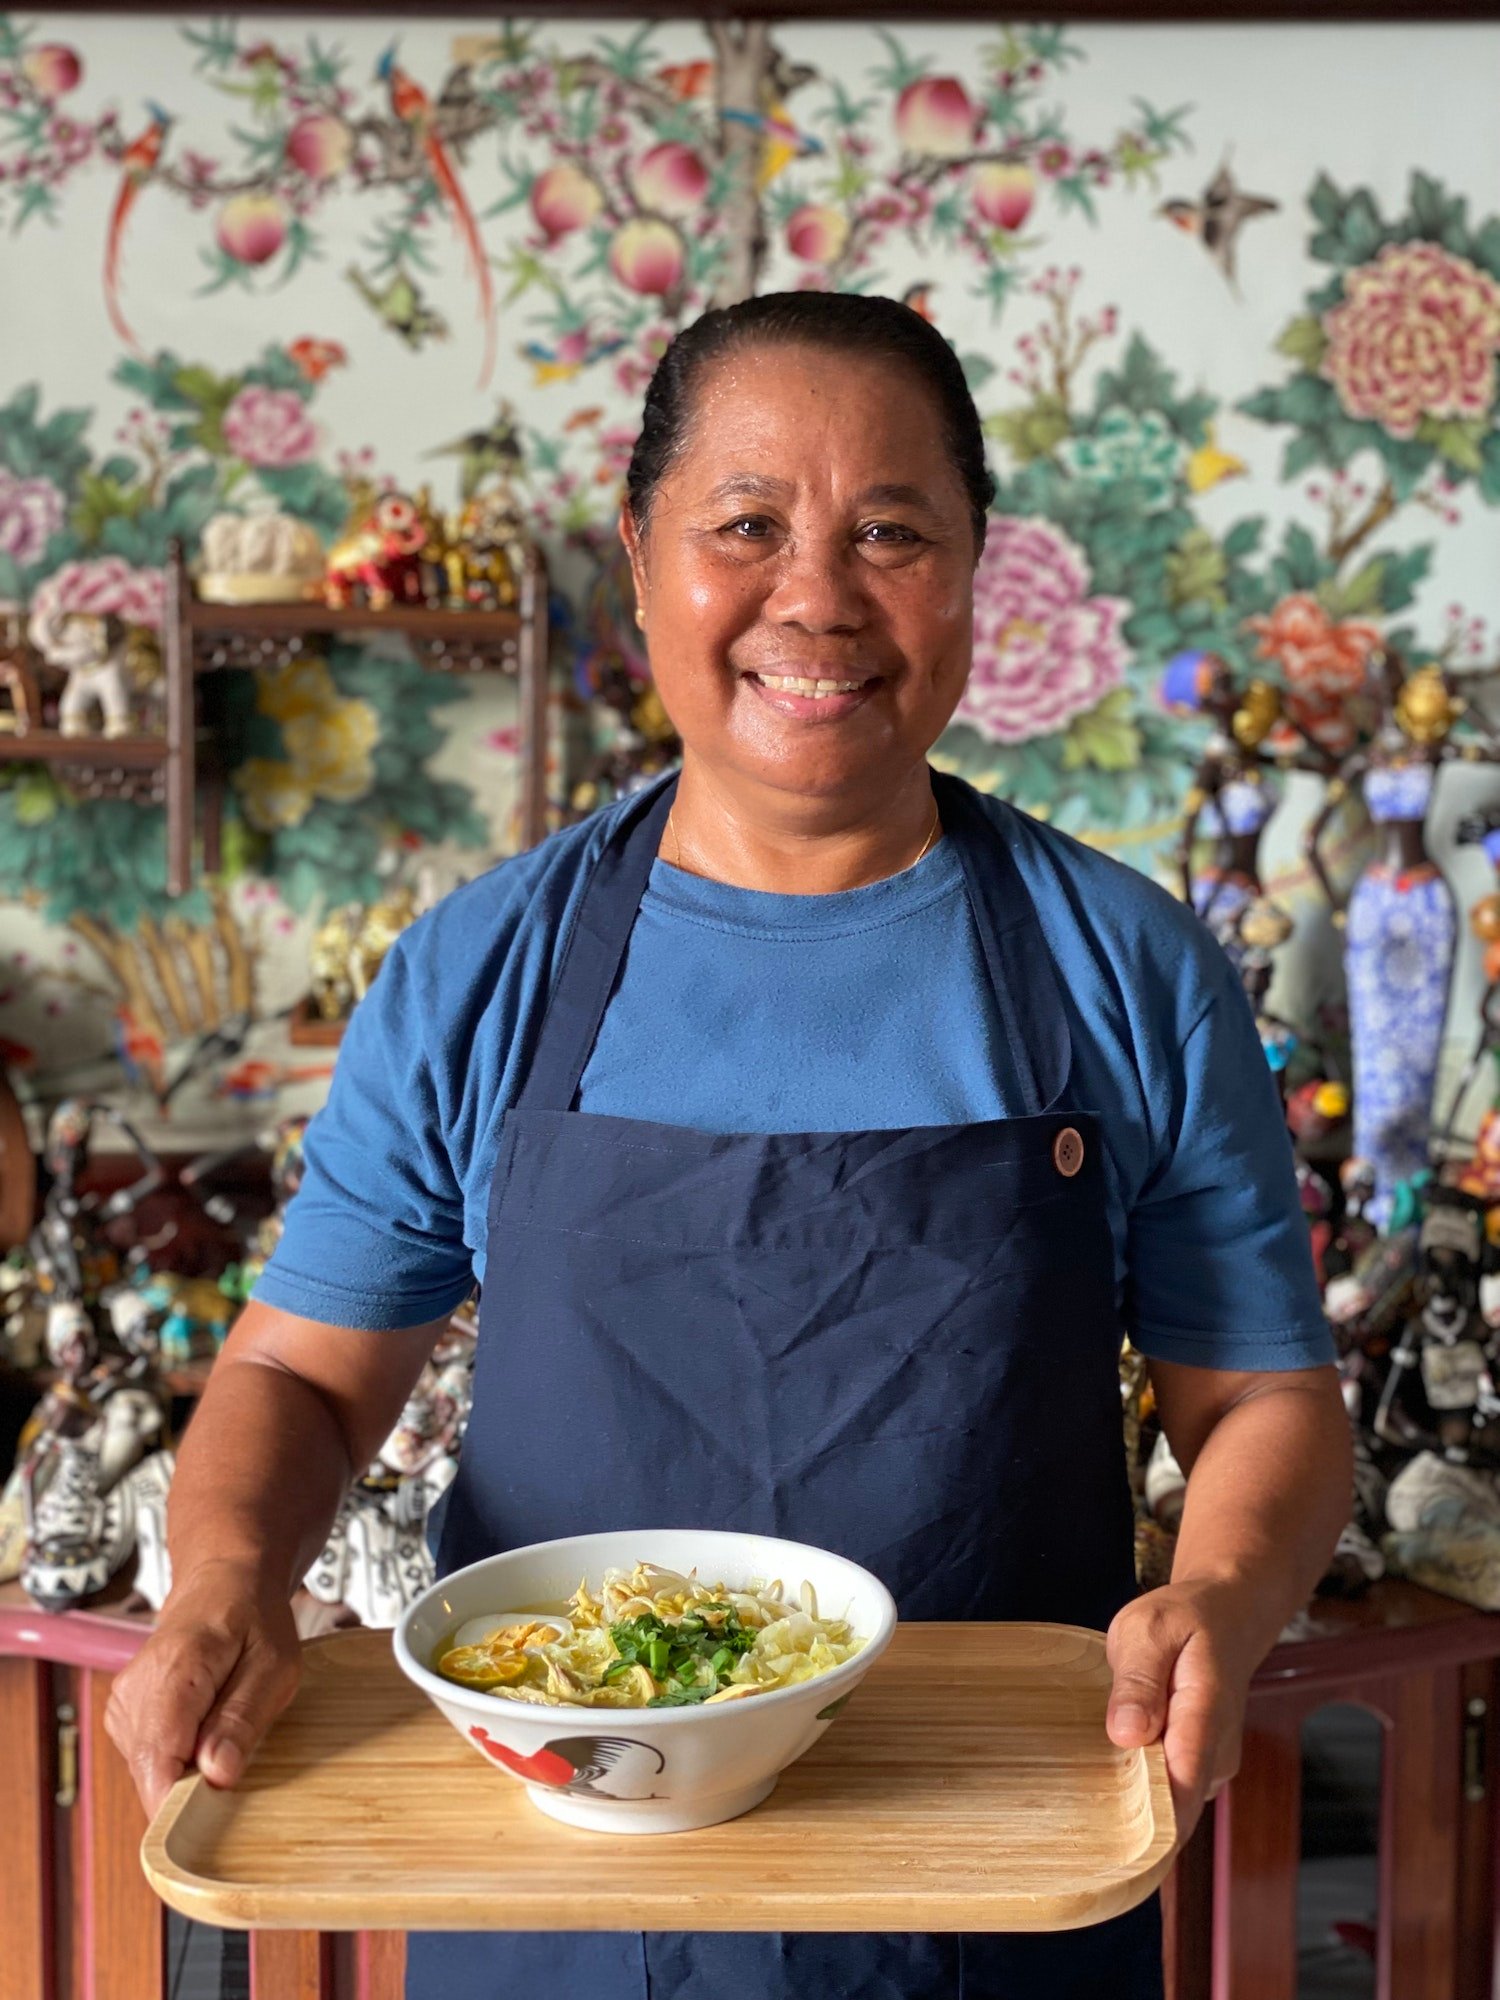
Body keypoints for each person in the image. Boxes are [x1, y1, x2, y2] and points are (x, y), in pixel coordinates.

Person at [107, 292, 1351, 1999]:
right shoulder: (487, 969)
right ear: (641, 559)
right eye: (747, 526)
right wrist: (226, 1582)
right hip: (547, 1891)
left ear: (977, 568)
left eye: (893, 533)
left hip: (985, 1870)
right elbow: (306, 1380)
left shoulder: (1127, 968)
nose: (818, 599)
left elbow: (1265, 1400)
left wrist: (1220, 1591)